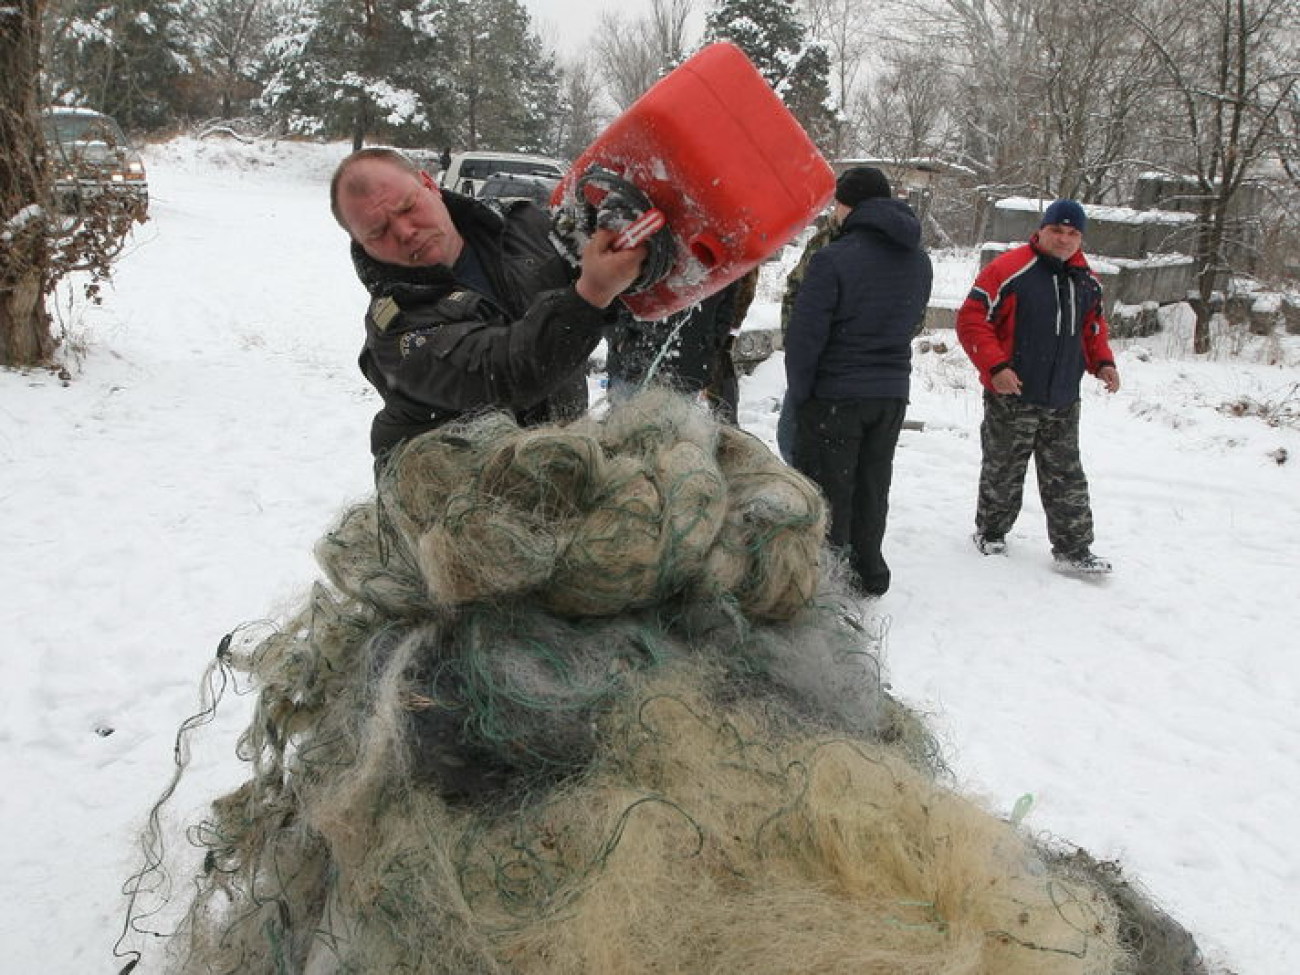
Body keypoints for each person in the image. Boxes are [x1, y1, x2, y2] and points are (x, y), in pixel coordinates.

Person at [330, 148, 645, 462]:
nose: (405, 232)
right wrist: (592, 293)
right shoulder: (398, 331)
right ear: (361, 244)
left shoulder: (522, 226)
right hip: (459, 497)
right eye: (378, 232)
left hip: (562, 461)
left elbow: (605, 268)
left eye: (407, 207)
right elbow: (504, 374)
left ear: (429, 183)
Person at [784, 166, 933, 597]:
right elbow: (913, 321)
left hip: (836, 392)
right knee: (873, 482)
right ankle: (869, 570)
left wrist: (802, 391)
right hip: (890, 393)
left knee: (829, 487)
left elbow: (806, 336)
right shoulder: (918, 259)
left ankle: (827, 577)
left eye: (837, 204)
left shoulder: (833, 258)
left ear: (849, 206)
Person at [955, 198, 1120, 574]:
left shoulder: (1086, 281)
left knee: (1066, 474)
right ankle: (991, 532)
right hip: (1014, 393)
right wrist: (996, 366)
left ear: (1081, 237)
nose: (1063, 240)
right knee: (1004, 469)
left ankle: (1074, 547)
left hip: (1063, 397)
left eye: (1072, 233)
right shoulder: (1010, 270)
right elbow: (971, 320)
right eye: (1057, 231)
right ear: (1042, 230)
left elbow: (1092, 328)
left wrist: (1103, 362)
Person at [604, 277, 745, 424]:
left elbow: (727, 304)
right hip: (632, 363)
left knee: (675, 438)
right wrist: (619, 338)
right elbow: (608, 289)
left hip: (687, 365)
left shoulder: (720, 260)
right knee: (624, 435)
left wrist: (709, 344)